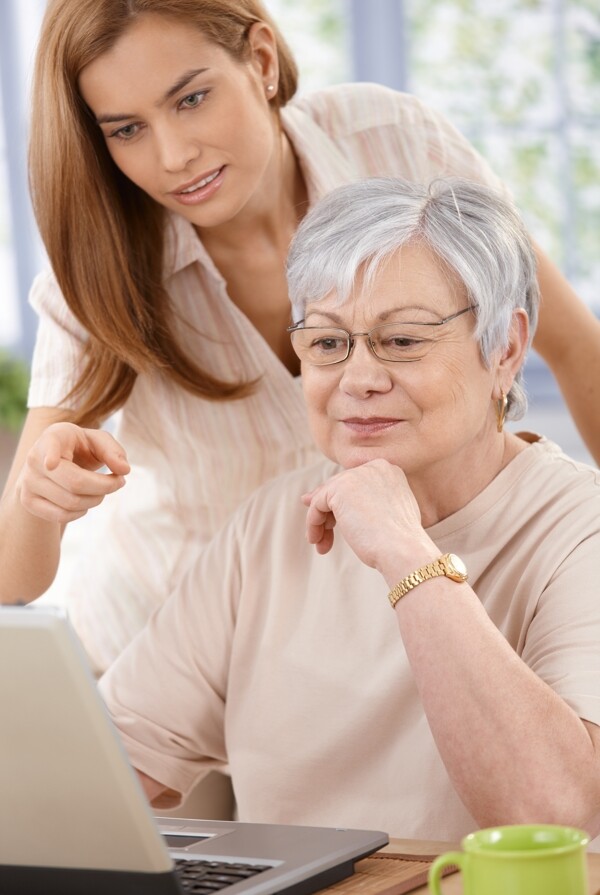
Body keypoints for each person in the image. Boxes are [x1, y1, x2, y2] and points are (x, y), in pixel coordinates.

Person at [1, 0, 599, 673]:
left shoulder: (393, 142)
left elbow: (577, 348)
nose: (173, 155)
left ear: (259, 59)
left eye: (193, 98)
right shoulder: (100, 266)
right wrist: (39, 496)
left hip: (375, 646)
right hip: (169, 650)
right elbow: (14, 578)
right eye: (127, 129)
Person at [99, 176, 600, 845]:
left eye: (401, 341)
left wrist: (404, 548)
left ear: (504, 349)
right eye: (329, 344)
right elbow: (117, 770)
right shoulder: (269, 525)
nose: (358, 379)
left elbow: (546, 811)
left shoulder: (579, 526)